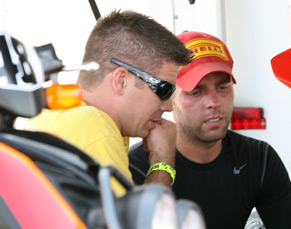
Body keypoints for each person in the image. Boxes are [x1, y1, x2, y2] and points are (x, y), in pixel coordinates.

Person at [128, 31, 291, 229]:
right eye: (196, 92)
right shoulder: (136, 165)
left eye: (223, 87)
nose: (214, 102)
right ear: (169, 100)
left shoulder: (258, 158)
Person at [24, 10, 192, 196]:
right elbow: (142, 224)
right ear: (121, 81)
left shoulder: (59, 114)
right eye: (163, 90)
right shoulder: (94, 126)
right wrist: (162, 162)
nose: (168, 106)